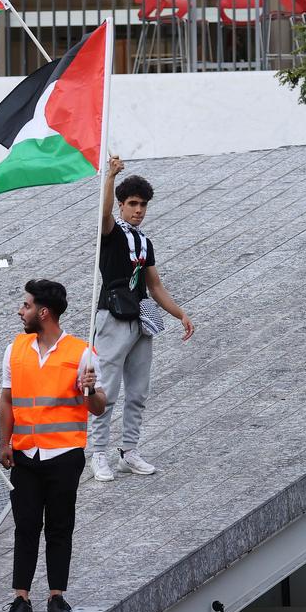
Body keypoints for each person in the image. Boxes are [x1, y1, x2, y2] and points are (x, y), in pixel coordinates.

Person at [0, 279, 106, 612]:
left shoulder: (82, 353)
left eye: (26, 305)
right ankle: (20, 599)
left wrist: (89, 390)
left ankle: (56, 597)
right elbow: (6, 401)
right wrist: (4, 443)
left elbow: (99, 407)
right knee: (25, 527)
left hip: (64, 454)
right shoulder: (14, 349)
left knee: (60, 526)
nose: (20, 310)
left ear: (43, 312)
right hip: (25, 454)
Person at [88, 155, 194, 482]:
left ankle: (129, 450)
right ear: (122, 204)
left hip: (141, 317)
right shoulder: (112, 232)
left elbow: (155, 285)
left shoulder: (144, 242)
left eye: (143, 205)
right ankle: (98, 454)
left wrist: (179, 313)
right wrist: (109, 177)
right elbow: (103, 214)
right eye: (133, 203)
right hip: (112, 315)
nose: (138, 210)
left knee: (139, 391)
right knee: (106, 388)